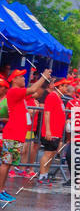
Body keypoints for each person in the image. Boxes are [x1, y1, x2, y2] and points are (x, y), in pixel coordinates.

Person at [0, 68, 49, 203]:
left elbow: (36, 92)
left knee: (8, 164)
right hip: (12, 133)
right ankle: (0, 191)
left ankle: (2, 190)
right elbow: (33, 90)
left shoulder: (19, 94)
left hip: (16, 134)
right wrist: (43, 77)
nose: (24, 79)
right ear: (14, 79)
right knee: (6, 163)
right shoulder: (14, 91)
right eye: (21, 77)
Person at [38, 74, 66, 186]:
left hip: (56, 131)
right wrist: (48, 130)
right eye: (64, 86)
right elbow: (47, 113)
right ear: (58, 87)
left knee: (51, 154)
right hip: (51, 131)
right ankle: (42, 175)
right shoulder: (52, 96)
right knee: (47, 153)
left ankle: (45, 174)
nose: (65, 88)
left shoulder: (59, 98)